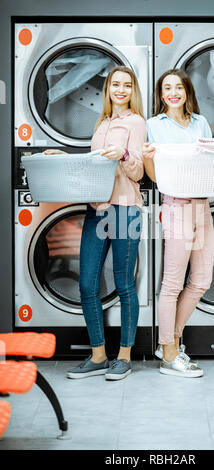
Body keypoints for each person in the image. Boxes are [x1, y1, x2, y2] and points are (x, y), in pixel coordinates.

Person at [45, 66, 146, 380]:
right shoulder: (102, 122)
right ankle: (99, 355)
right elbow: (92, 164)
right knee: (87, 284)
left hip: (125, 210)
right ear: (109, 89)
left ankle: (125, 357)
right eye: (116, 84)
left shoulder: (136, 122)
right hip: (97, 210)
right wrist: (62, 155)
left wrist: (125, 154)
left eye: (127, 85)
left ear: (133, 91)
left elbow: (139, 172)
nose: (120, 90)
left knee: (124, 284)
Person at [143, 69, 214, 378]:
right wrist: (147, 159)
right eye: (167, 88)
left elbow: (210, 163)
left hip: (203, 206)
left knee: (201, 281)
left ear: (186, 91)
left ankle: (169, 343)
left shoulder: (200, 123)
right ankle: (169, 354)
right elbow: (156, 176)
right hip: (175, 206)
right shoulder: (153, 126)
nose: (173, 92)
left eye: (178, 87)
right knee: (172, 284)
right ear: (161, 95)